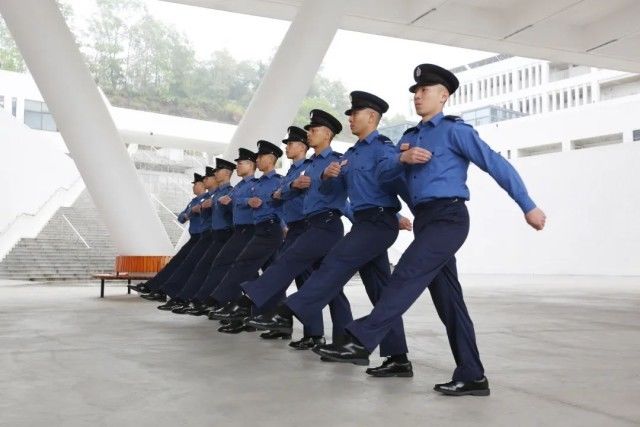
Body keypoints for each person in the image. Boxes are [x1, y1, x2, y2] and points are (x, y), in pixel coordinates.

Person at [314, 63, 547, 396]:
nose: (418, 96)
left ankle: (361, 338)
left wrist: (528, 204)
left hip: (449, 217)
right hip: (425, 219)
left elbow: (496, 164)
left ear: (443, 95)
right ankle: (473, 375)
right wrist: (400, 164)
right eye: (415, 92)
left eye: (424, 91)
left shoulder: (456, 131)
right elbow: (383, 177)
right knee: (449, 302)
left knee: (406, 273)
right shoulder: (407, 139)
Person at [249, 95, 413, 376]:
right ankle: (398, 358)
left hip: (376, 223)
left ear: (372, 118)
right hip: (364, 222)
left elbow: (391, 180)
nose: (350, 118)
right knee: (380, 293)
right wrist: (327, 178)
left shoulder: (383, 148)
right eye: (349, 114)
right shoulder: (349, 156)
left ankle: (288, 311)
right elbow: (340, 196)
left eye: (355, 113)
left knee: (335, 263)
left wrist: (401, 212)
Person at [242, 114, 353, 348]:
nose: (309, 132)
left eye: (314, 129)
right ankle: (319, 335)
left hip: (325, 225)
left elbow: (347, 199)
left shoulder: (338, 161)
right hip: (309, 226)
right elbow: (280, 195)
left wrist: (386, 218)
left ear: (327, 134)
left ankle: (261, 300)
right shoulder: (308, 166)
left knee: (294, 265)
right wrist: (292, 185)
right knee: (324, 283)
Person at [207, 140, 286, 334]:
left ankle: (263, 317)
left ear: (271, 159)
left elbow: (284, 203)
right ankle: (259, 317)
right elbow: (238, 200)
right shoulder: (255, 184)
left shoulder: (280, 181)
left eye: (260, 157)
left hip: (270, 230)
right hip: (256, 229)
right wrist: (244, 201)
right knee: (266, 275)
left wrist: (284, 226)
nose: (257, 159)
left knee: (264, 273)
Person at [171, 158, 237, 314]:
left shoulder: (230, 191)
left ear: (227, 173)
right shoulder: (213, 196)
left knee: (225, 269)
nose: (214, 174)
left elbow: (232, 214)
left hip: (227, 234)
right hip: (214, 234)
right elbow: (184, 217)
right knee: (209, 267)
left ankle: (213, 302)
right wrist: (197, 210)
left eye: (216, 172)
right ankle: (206, 302)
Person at [129, 172, 208, 296]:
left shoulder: (209, 199)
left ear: (203, 184)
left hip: (204, 238)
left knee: (186, 266)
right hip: (194, 238)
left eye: (195, 184)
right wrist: (190, 212)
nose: (193, 187)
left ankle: (168, 291)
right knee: (175, 263)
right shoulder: (193, 201)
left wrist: (191, 213)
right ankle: (153, 287)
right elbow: (181, 218)